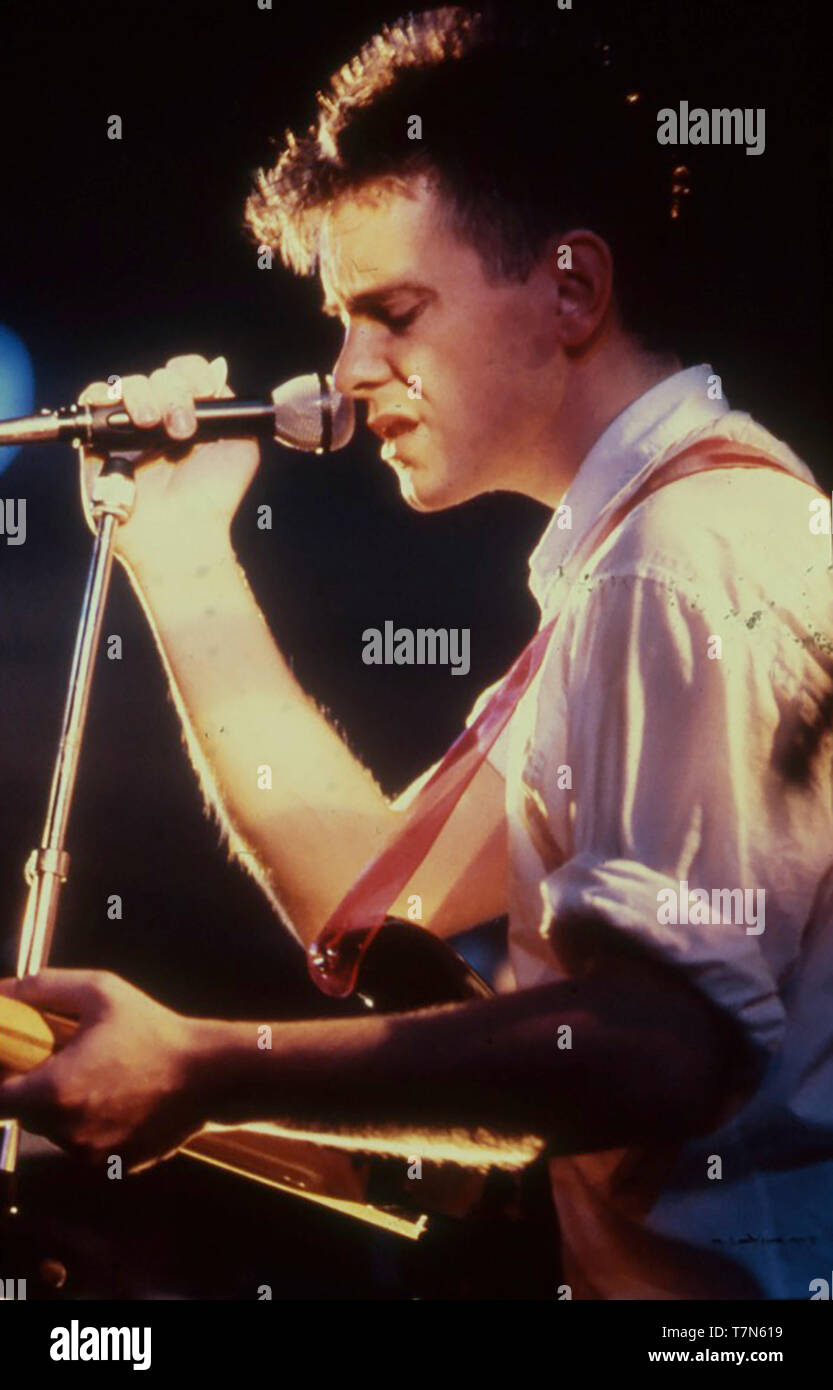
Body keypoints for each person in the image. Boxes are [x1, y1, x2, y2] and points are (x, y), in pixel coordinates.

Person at [2, 6, 832, 1299]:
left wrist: (207, 1063)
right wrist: (179, 549)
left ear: (571, 287)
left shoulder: (682, 554)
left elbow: (656, 1048)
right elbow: (370, 897)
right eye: (342, 322)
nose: (347, 374)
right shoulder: (638, 551)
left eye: (391, 312)